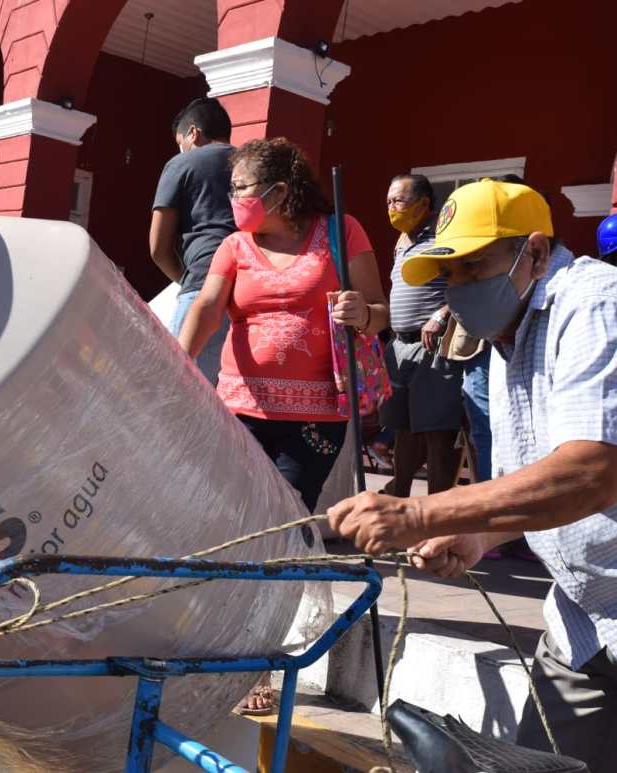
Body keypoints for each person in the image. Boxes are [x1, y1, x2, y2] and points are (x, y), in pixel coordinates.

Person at [328, 179, 617, 772]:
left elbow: (592, 472)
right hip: (584, 617)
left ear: (536, 252)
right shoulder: (507, 334)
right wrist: (480, 535)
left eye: (473, 267)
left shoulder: (594, 305)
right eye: (449, 274)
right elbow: (533, 483)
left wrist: (418, 513)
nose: (459, 288)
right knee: (540, 762)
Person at [179, 137, 388, 712]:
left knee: (279, 531)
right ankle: (220, 642)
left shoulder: (342, 232)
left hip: (314, 418)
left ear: (277, 191)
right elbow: (206, 306)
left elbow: (381, 310)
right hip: (239, 410)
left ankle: (258, 661)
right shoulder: (234, 245)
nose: (233, 199)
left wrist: (363, 313)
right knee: (234, 527)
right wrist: (176, 364)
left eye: (240, 188)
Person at [380, 174, 464, 496]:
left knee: (437, 431)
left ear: (423, 204)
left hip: (433, 346)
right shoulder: (403, 240)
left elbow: (467, 282)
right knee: (402, 427)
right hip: (399, 345)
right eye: (388, 201)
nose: (392, 208)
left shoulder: (445, 234)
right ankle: (399, 496)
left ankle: (436, 508)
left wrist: (441, 314)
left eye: (398, 201)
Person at [150, 97, 236, 384]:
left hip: (202, 283)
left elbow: (158, 248)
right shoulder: (251, 165)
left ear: (193, 133)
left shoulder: (182, 163)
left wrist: (188, 280)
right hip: (251, 288)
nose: (181, 149)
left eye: (181, 142)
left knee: (183, 391)